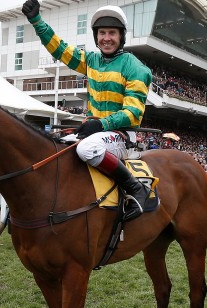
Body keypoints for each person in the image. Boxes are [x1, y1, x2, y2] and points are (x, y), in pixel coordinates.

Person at [22, 0, 153, 221]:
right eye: (102, 33)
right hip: (95, 131)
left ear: (121, 36)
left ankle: (136, 188)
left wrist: (101, 124)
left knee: (86, 149)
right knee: (53, 145)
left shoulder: (136, 68)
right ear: (96, 36)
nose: (106, 38)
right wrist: (37, 22)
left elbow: (132, 113)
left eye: (112, 33)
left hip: (122, 135)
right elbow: (61, 49)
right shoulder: (91, 60)